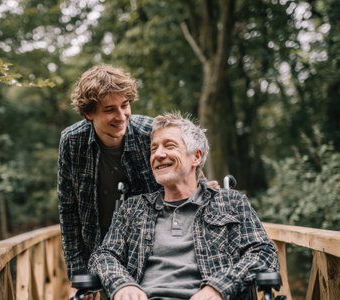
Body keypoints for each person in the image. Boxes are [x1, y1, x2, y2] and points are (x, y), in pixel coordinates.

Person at [57, 66, 218, 298]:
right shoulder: (72, 142)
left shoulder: (149, 133)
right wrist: (78, 275)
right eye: (110, 110)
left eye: (125, 105)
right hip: (101, 248)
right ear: (88, 114)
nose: (121, 116)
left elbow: (189, 177)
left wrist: (212, 196)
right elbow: (68, 210)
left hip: (151, 247)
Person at [88, 112, 279, 300]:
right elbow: (103, 256)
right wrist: (122, 283)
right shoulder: (133, 209)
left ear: (196, 157)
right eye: (153, 149)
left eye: (169, 146)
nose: (159, 154)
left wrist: (219, 287)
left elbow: (264, 254)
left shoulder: (230, 202)